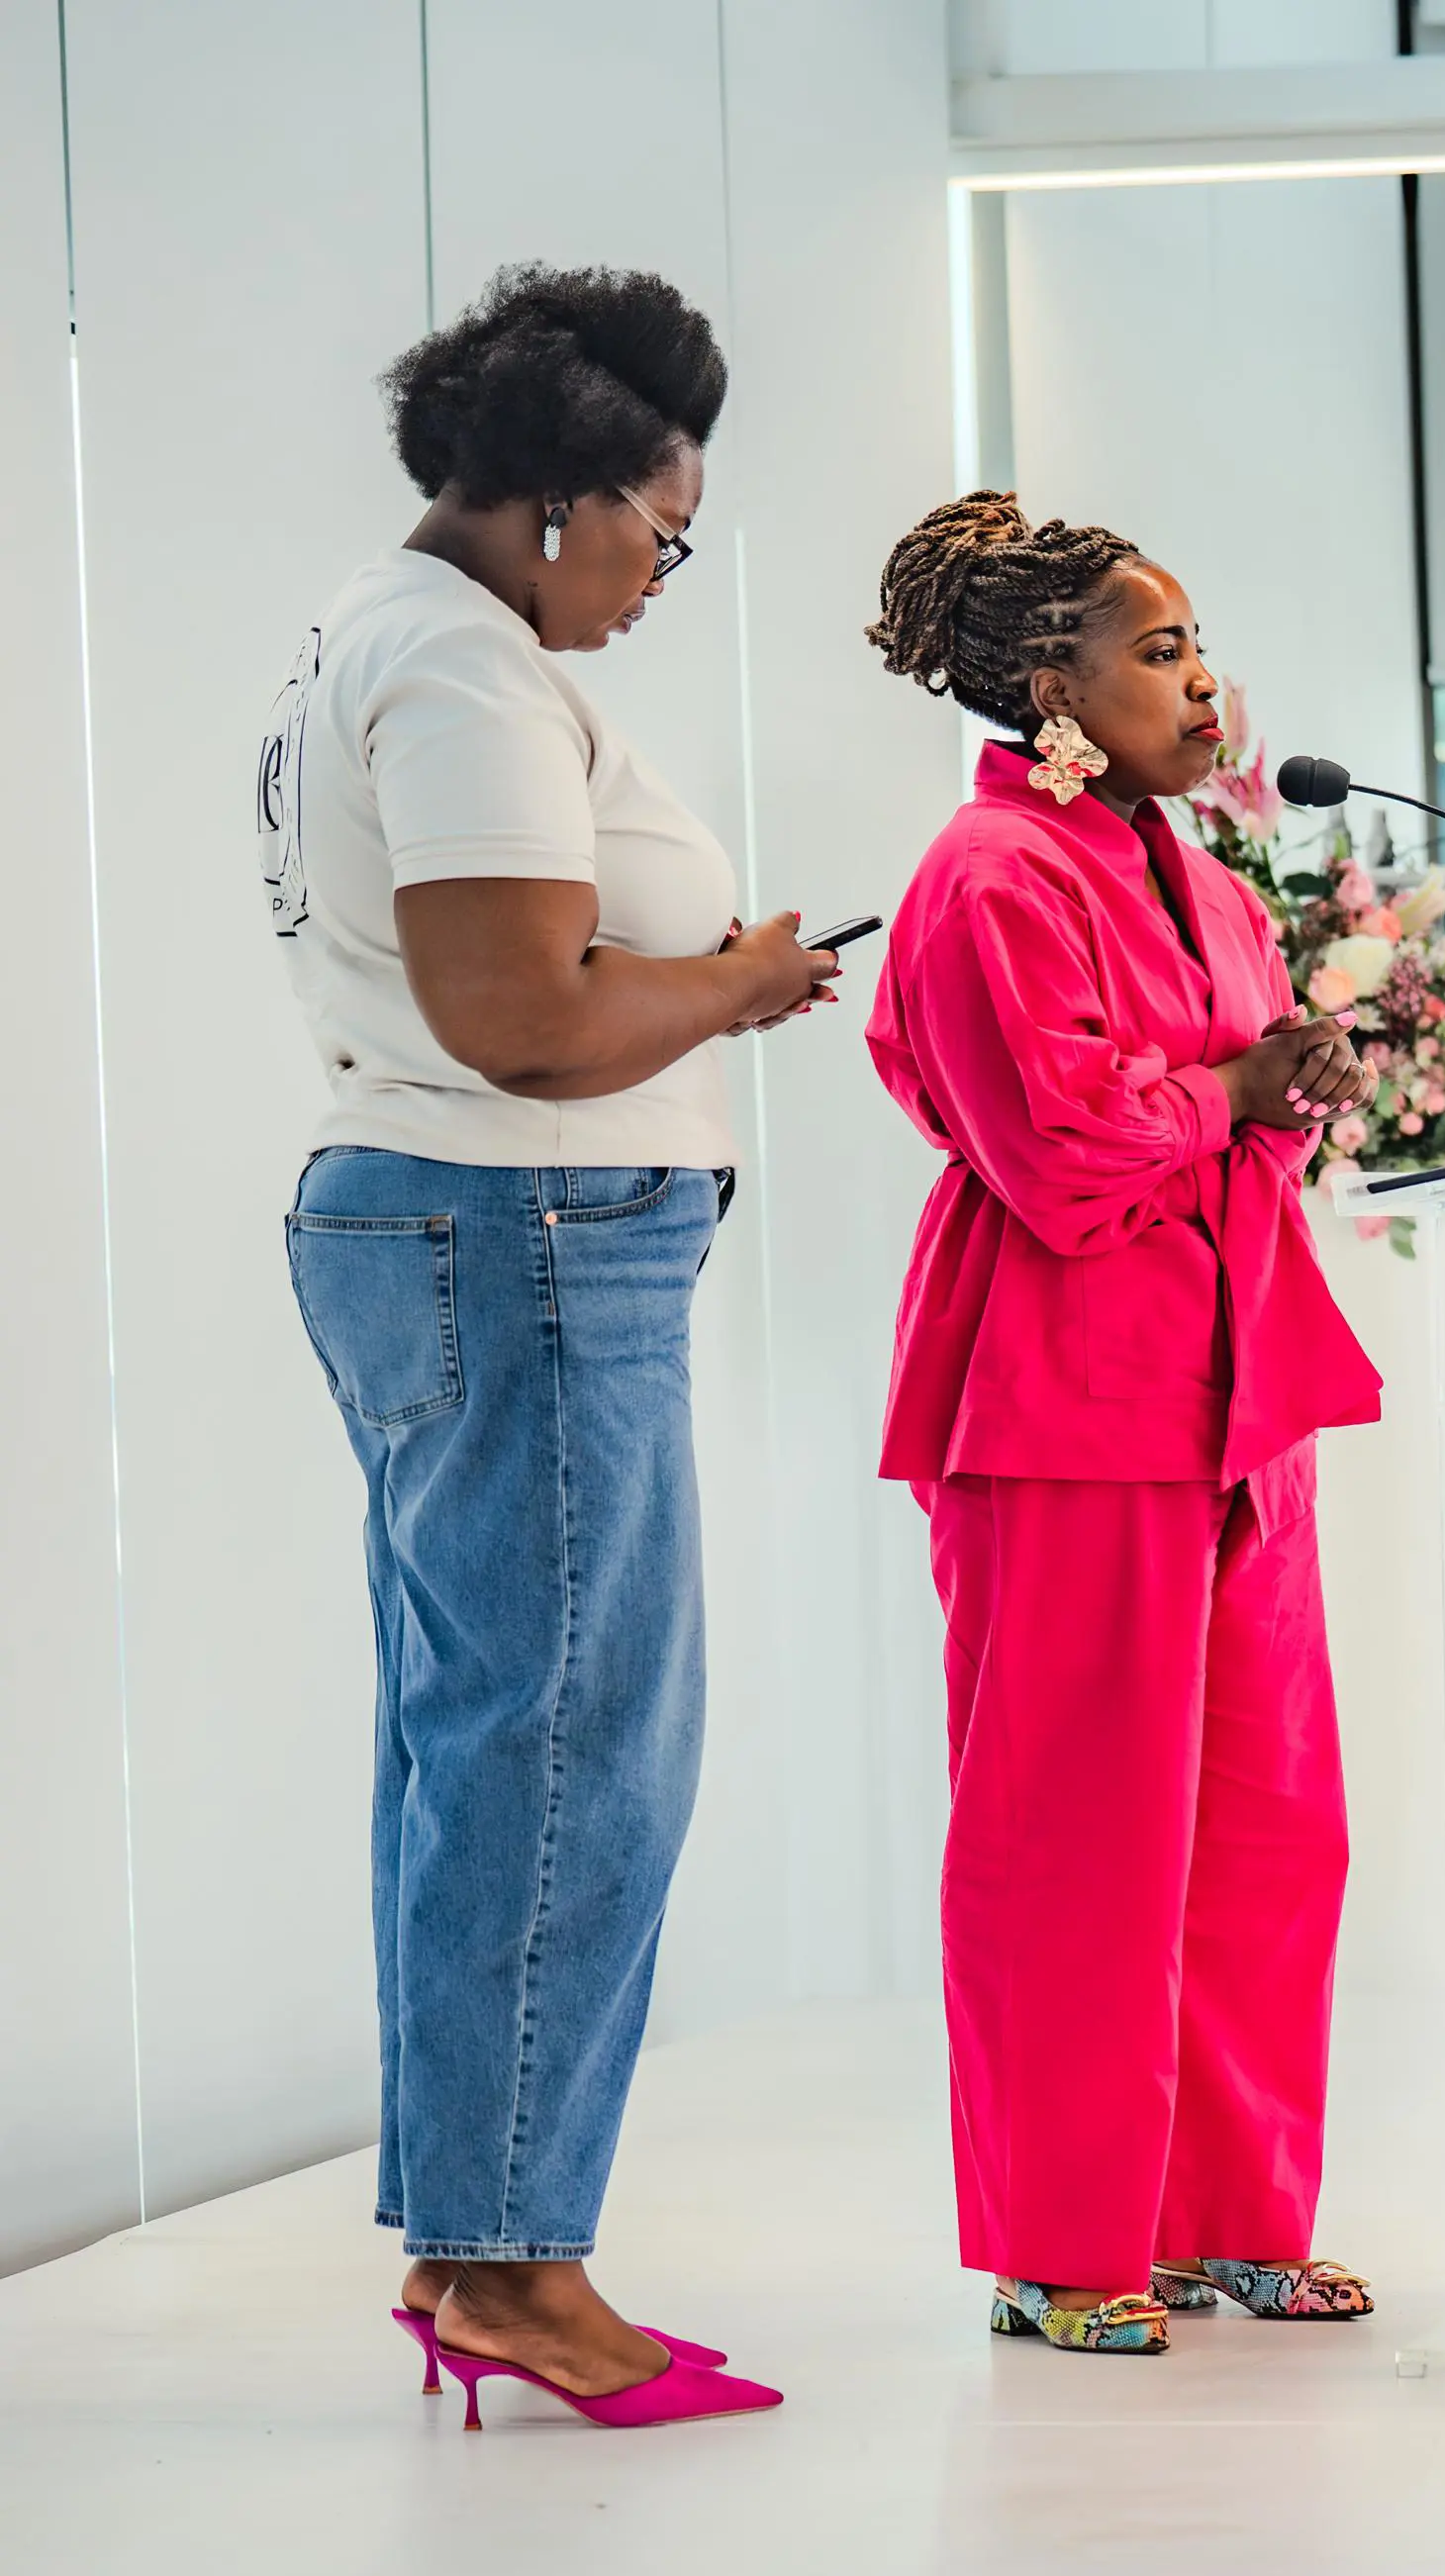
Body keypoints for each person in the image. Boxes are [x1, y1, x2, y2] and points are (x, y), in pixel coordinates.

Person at [270, 265, 823, 2429]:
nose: (664, 577)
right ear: (556, 504)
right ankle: (511, 2269)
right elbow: (523, 1017)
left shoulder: (400, 638)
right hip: (515, 1231)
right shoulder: (467, 674)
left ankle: (486, 2241)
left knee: (492, 1746)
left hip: (468, 1228)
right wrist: (739, 985)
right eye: (662, 535)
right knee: (573, 1756)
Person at [862, 492, 1389, 2355]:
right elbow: (1062, 1149)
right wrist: (1231, 1084)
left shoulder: (1205, 873)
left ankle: (1231, 2211)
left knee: (1268, 1825)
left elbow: (1211, 1093)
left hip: (1243, 1401)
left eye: (1190, 641)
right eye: (1158, 647)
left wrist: (1285, 1086)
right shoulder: (989, 880)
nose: (1201, 677)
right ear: (1044, 681)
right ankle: (1063, 2241)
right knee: (1072, 1831)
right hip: (1073, 1395)